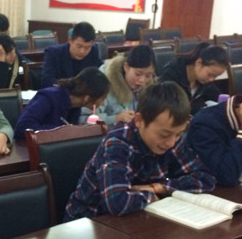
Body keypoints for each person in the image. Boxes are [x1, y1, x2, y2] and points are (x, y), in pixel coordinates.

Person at [64, 82, 216, 220]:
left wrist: (162, 187)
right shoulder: (118, 142)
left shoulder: (172, 139)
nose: (171, 142)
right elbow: (118, 203)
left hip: (138, 219)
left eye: (178, 134)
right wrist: (153, 196)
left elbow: (206, 179)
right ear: (139, 121)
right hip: (89, 222)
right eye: (164, 135)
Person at [14, 66, 109, 140]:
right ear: (87, 98)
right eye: (103, 97)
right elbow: (22, 128)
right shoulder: (48, 97)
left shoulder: (76, 106)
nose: (104, 101)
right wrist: (63, 131)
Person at [80, 45, 156, 125]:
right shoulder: (103, 82)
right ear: (126, 67)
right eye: (138, 74)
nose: (142, 80)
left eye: (148, 76)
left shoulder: (150, 87)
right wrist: (115, 118)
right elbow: (84, 119)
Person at [158, 42, 227, 114]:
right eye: (210, 74)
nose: (211, 79)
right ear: (199, 63)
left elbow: (217, 96)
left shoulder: (203, 80)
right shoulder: (172, 74)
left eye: (215, 76)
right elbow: (171, 106)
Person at [41, 21, 103, 88]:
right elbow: (47, 81)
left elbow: (100, 74)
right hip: (61, 92)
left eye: (87, 47)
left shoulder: (93, 51)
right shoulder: (53, 53)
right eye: (79, 46)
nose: (82, 51)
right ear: (70, 41)